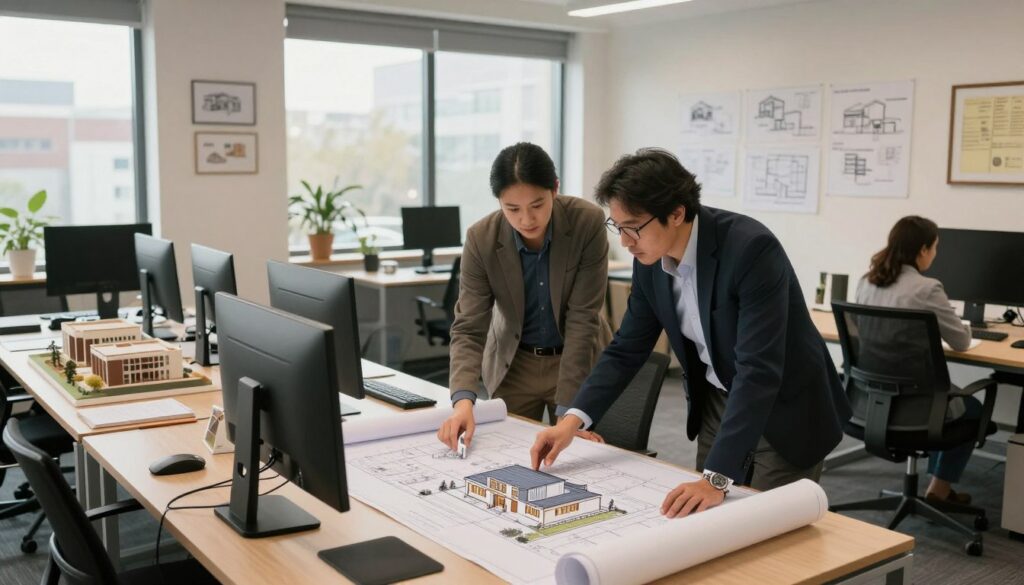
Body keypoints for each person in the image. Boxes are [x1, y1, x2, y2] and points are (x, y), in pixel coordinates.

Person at [530, 148, 851, 519]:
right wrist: (571, 421)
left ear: (677, 213)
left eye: (633, 226)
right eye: (617, 226)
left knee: (767, 528)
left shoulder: (750, 250)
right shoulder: (649, 261)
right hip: (716, 398)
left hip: (784, 406)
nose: (625, 241)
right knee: (706, 521)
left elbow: (758, 370)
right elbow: (626, 350)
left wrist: (716, 479)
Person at [437, 142, 612, 452]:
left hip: (577, 360)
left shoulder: (587, 222)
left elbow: (583, 319)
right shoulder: (481, 239)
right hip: (514, 364)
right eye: (512, 209)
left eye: (537, 204)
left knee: (578, 458)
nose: (526, 219)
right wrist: (463, 401)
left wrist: (568, 415)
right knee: (512, 458)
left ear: (555, 189)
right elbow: (469, 326)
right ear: (499, 202)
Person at [855, 215, 979, 505]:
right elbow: (961, 342)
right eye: (935, 248)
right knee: (970, 408)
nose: (935, 255)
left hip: (870, 403)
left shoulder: (866, 282)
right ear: (923, 250)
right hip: (916, 409)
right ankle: (939, 488)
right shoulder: (927, 289)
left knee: (944, 398)